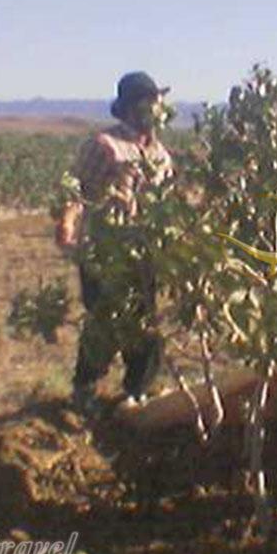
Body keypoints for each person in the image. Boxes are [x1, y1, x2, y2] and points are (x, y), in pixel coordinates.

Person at [56, 71, 174, 410]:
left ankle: (138, 390)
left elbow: (168, 201)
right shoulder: (104, 146)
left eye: (159, 103)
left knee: (145, 321)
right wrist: (66, 223)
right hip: (104, 250)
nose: (157, 109)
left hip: (145, 251)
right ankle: (85, 390)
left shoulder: (160, 154)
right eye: (151, 102)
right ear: (133, 107)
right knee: (103, 321)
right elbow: (75, 189)